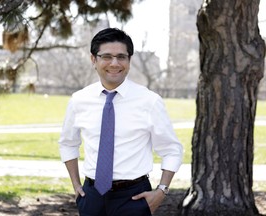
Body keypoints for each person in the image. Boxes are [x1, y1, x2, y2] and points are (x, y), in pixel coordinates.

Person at [58, 27, 183, 216]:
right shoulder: (79, 100)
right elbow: (68, 143)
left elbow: (172, 149)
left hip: (134, 198)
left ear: (129, 60)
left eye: (121, 57)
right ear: (94, 59)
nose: (114, 63)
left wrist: (161, 191)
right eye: (107, 56)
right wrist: (76, 185)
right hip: (91, 197)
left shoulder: (149, 101)